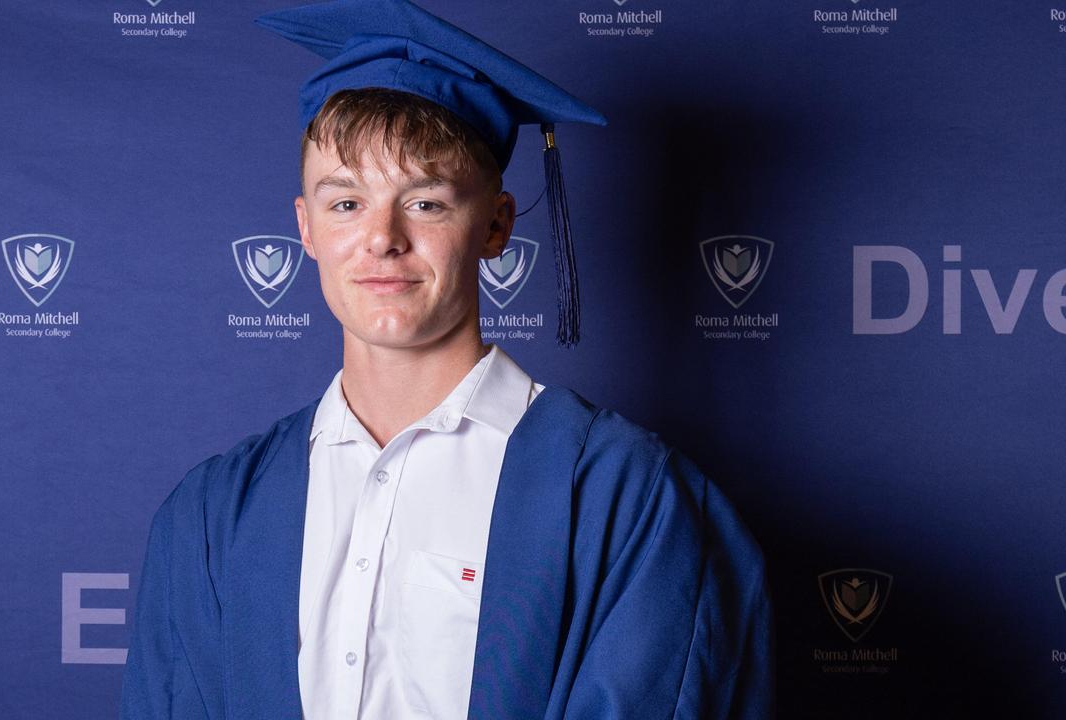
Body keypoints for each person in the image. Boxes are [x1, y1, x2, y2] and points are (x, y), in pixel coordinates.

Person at [120, 1, 773, 719]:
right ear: (304, 227)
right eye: (346, 204)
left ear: (495, 226)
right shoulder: (213, 515)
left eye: (426, 203)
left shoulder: (627, 500)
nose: (382, 239)